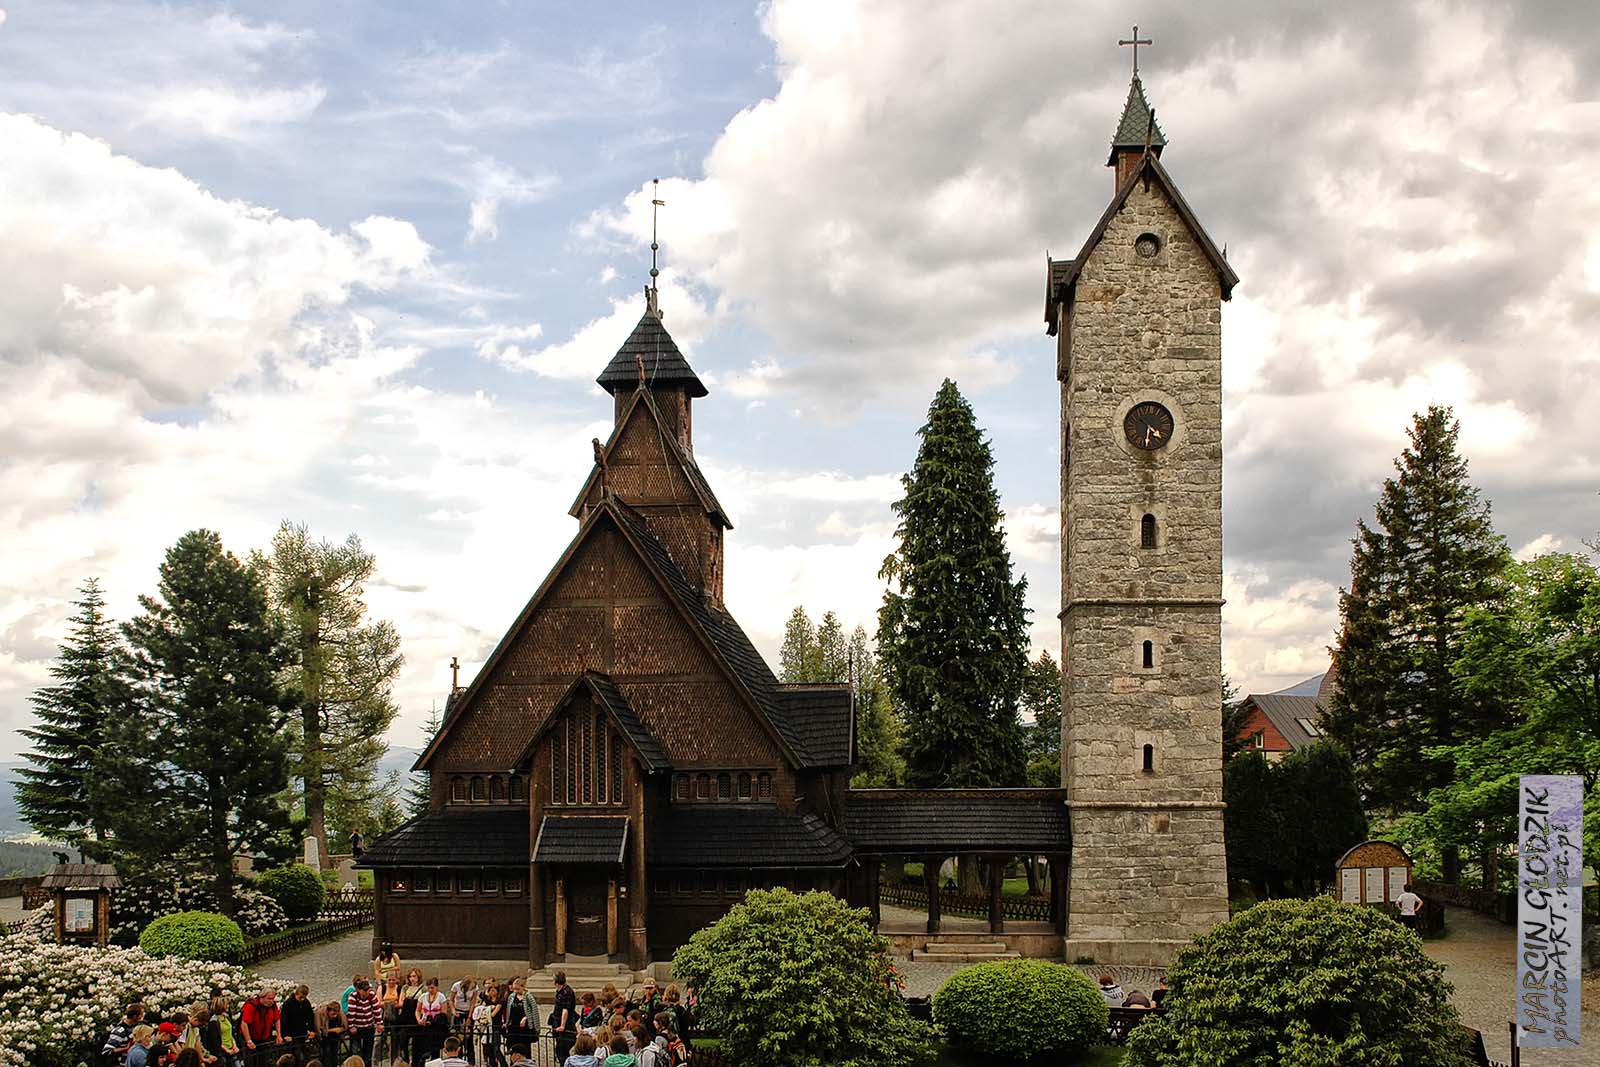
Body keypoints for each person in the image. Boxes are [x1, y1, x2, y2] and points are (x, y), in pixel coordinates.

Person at [345, 978, 384, 1067]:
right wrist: (351, 1026)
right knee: (355, 1051)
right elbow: (351, 1012)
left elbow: (376, 1009)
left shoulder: (372, 995)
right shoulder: (353, 996)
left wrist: (379, 1023)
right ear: (359, 990)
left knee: (368, 1051)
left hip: (369, 1026)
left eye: (368, 990)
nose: (366, 992)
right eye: (364, 990)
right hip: (357, 1027)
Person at [416, 978, 449, 1063]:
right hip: (424, 1024)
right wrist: (419, 1019)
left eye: (432, 988)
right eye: (429, 988)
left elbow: (444, 1013)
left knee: (435, 1050)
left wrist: (434, 1021)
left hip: (436, 1026)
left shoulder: (441, 997)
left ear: (436, 987)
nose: (430, 990)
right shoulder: (423, 996)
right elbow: (418, 1010)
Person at [241, 987, 284, 1052]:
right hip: (252, 1039)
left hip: (265, 1039)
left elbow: (277, 1019)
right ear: (262, 997)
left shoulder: (272, 1005)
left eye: (273, 999)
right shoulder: (251, 1006)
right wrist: (248, 1041)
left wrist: (279, 1035)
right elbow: (244, 1023)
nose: (271, 1001)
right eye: (269, 999)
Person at [206, 996, 242, 1067]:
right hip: (222, 1053)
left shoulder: (227, 1017)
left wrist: (234, 1046)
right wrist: (227, 1050)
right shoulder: (213, 1021)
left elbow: (230, 1033)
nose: (228, 1006)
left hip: (232, 1048)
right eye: (226, 1004)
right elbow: (215, 1040)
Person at [283, 986, 316, 1053]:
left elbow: (310, 1017)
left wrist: (311, 1030)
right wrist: (285, 1034)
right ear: (296, 994)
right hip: (291, 1033)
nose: (302, 999)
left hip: (302, 1032)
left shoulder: (306, 1002)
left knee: (303, 1052)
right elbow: (284, 1020)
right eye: (300, 997)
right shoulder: (288, 1004)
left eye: (304, 997)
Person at [316, 1002, 345, 1067]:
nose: (335, 1016)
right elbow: (320, 1029)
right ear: (328, 1011)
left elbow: (344, 1026)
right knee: (326, 1056)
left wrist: (340, 1029)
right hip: (325, 1039)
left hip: (335, 1038)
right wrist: (333, 1030)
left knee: (334, 1056)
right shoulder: (322, 1016)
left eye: (336, 1014)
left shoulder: (338, 1016)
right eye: (333, 1014)